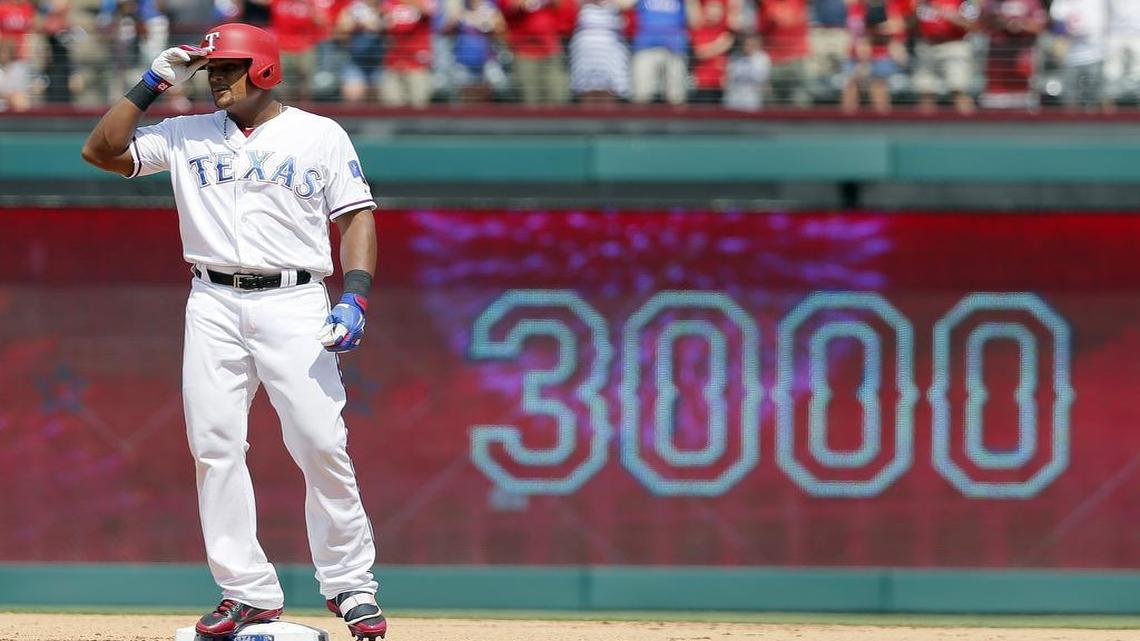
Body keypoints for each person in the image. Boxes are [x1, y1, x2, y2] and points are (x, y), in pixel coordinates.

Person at [79, 23, 388, 641]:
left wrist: (354, 298)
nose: (216, 78)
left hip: (296, 298)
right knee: (214, 447)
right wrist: (152, 82)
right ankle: (246, 592)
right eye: (211, 70)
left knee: (320, 442)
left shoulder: (318, 134)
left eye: (229, 68)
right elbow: (101, 150)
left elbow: (355, 218)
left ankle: (350, 584)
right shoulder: (185, 132)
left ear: (266, 70)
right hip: (212, 299)